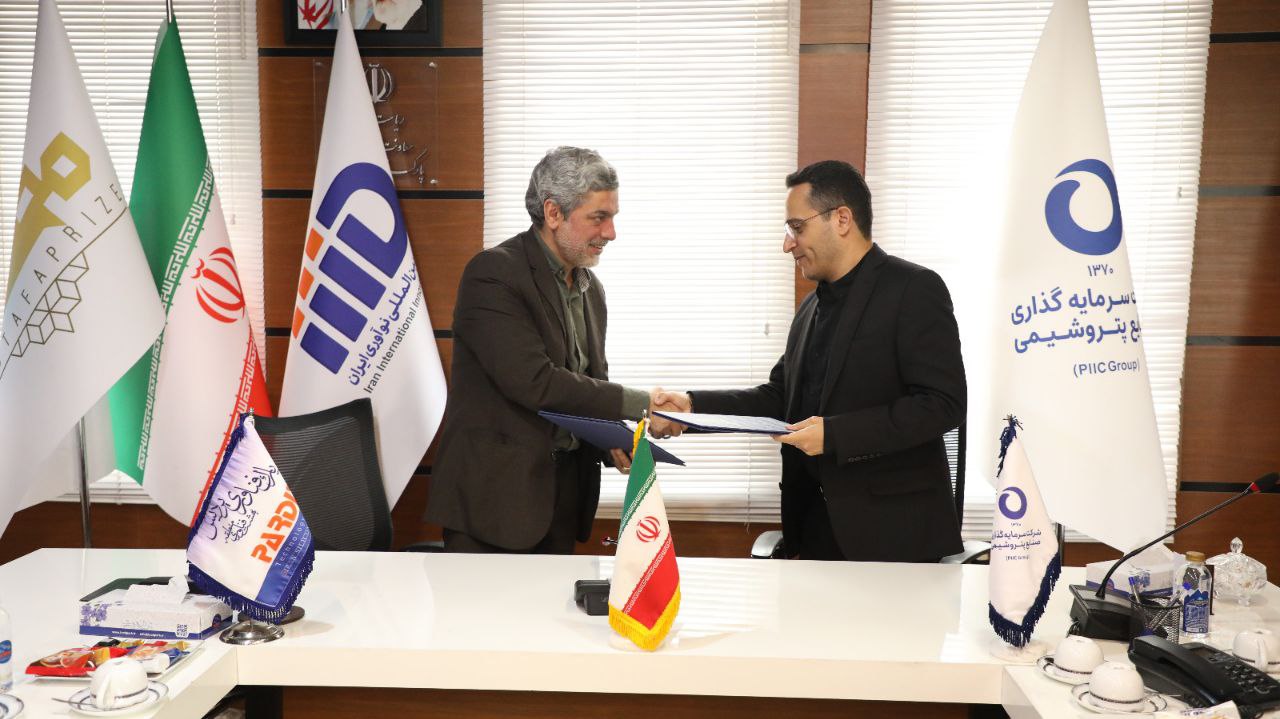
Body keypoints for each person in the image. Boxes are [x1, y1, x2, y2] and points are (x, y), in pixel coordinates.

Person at [651, 160, 966, 562]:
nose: (788, 244)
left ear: (842, 219)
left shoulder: (914, 289)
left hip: (894, 539)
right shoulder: (810, 306)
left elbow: (943, 404)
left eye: (797, 227)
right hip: (814, 533)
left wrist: (835, 435)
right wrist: (692, 408)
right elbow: (778, 398)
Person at [427, 147, 659, 554]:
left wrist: (612, 438)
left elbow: (587, 385)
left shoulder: (591, 289)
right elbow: (534, 382)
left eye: (612, 217)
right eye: (598, 217)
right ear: (553, 213)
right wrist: (645, 403)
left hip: (562, 500)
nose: (610, 233)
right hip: (494, 505)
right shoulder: (493, 274)